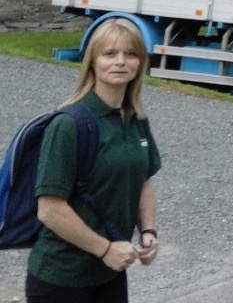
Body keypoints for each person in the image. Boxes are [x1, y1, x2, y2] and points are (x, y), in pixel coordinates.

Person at [27, 17, 161, 303]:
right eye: (109, 53)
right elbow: (50, 209)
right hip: (62, 276)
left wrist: (148, 230)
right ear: (92, 62)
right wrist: (105, 249)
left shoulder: (136, 120)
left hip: (110, 274)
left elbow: (143, 181)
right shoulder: (68, 124)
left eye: (131, 54)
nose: (120, 62)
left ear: (140, 63)